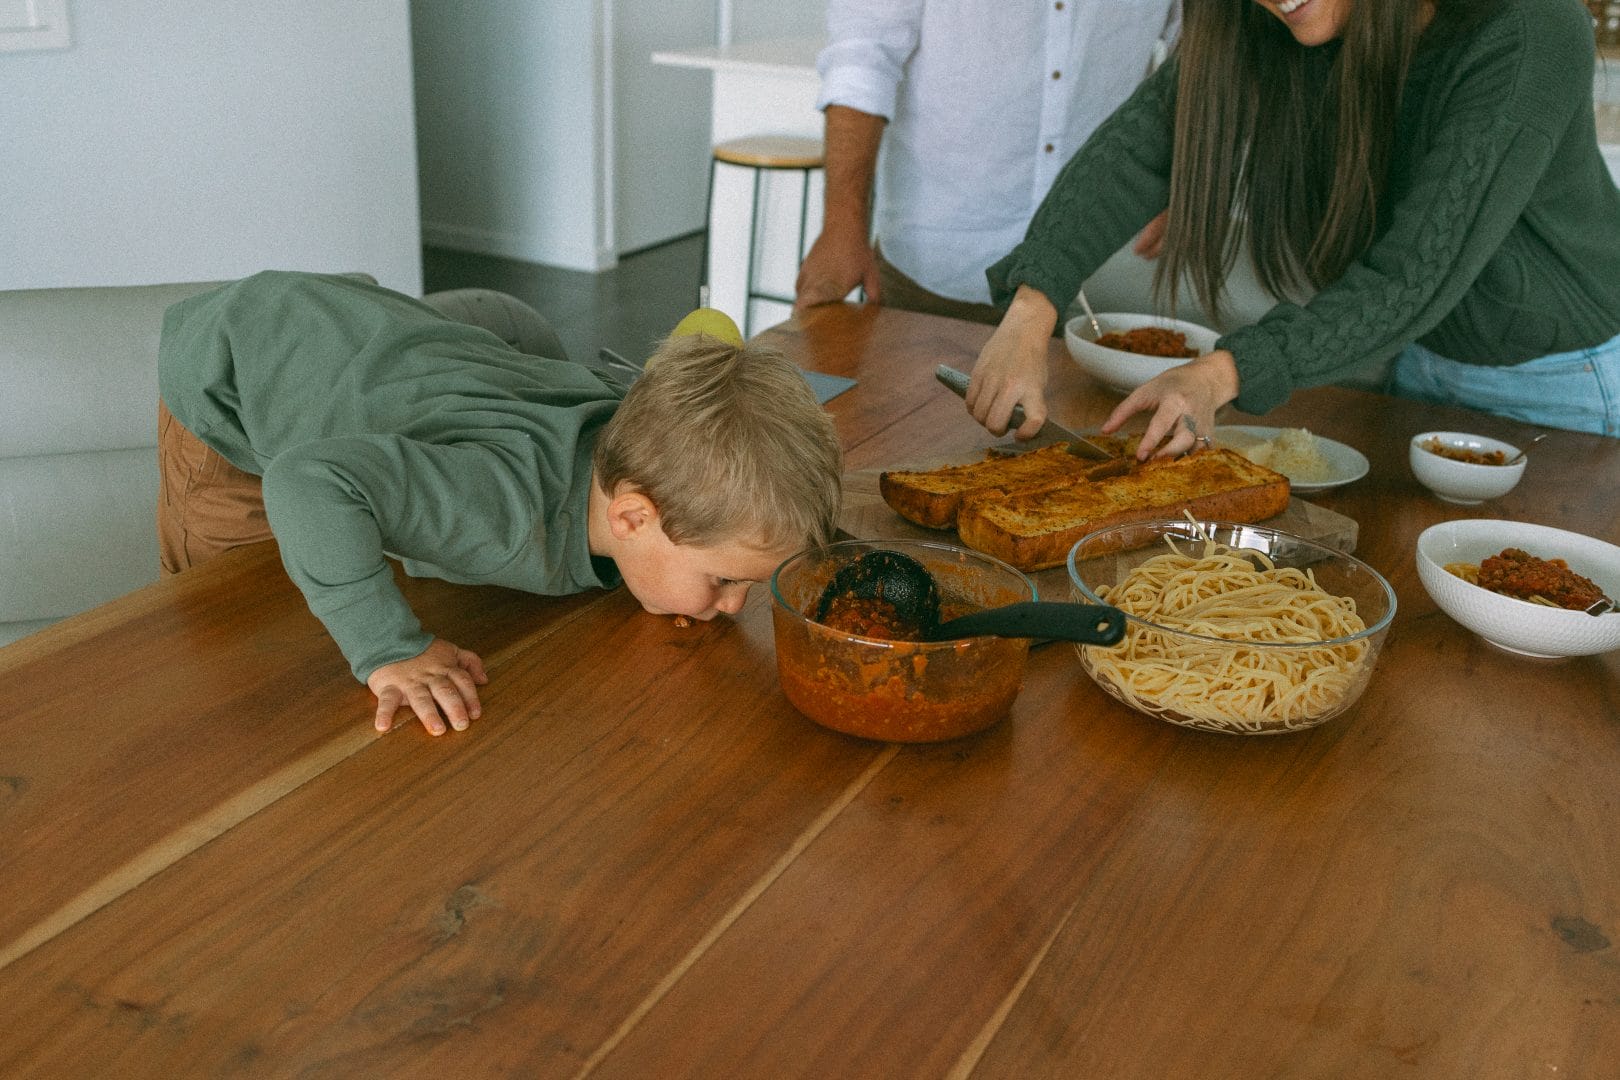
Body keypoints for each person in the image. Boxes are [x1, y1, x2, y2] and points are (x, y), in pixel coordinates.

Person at [156, 271, 842, 737]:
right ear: (633, 517)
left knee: (333, 559)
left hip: (366, 338)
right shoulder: (498, 507)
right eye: (723, 580)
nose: (730, 605)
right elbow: (309, 483)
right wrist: (388, 650)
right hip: (242, 367)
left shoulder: (634, 437)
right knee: (235, 644)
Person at [967, 0, 1620, 455]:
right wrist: (1031, 309)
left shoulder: (1529, 25)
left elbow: (1417, 271)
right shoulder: (1288, 20)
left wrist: (1221, 374)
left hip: (1568, 389)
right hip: (1421, 361)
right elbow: (1143, 143)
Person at [793, 0, 1182, 324]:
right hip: (937, 274)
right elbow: (863, 56)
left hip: (1097, 273)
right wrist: (843, 223)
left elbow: (1202, 48)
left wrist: (1179, 176)